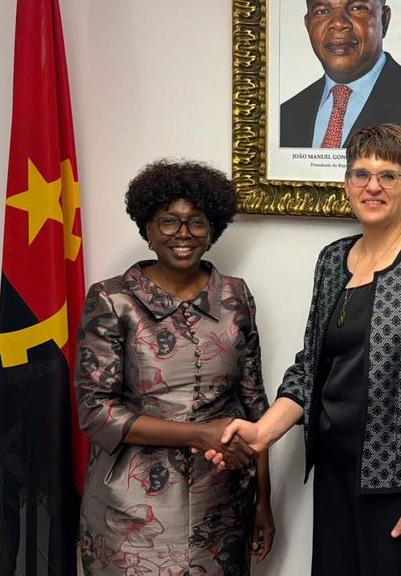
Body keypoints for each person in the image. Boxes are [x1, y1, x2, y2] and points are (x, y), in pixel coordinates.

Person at [210, 125, 401, 575]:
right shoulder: (332, 260)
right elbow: (310, 367)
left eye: (388, 175)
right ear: (346, 184)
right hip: (336, 473)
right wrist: (261, 434)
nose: (373, 186)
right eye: (361, 174)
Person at [74, 160, 274, 575]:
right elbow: (96, 411)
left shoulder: (235, 296)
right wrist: (199, 433)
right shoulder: (113, 300)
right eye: (168, 221)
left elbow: (255, 406)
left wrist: (263, 501)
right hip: (130, 513)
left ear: (212, 230)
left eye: (197, 222)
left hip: (221, 509)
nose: (183, 234)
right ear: (147, 229)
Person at [280, 0, 401, 148]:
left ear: (384, 20)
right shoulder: (286, 114)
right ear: (308, 24)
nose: (338, 23)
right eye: (322, 11)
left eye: (357, 8)